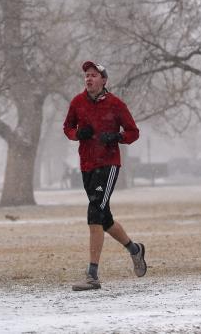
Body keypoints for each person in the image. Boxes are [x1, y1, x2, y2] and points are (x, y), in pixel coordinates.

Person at [63, 60, 146, 291]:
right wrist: (78, 133)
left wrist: (117, 137)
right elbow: (67, 128)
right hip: (87, 165)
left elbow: (133, 132)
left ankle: (92, 276)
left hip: (108, 165)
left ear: (103, 80)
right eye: (86, 75)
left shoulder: (116, 104)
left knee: (94, 212)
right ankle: (135, 250)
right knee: (104, 218)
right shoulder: (77, 102)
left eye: (93, 75)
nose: (88, 79)